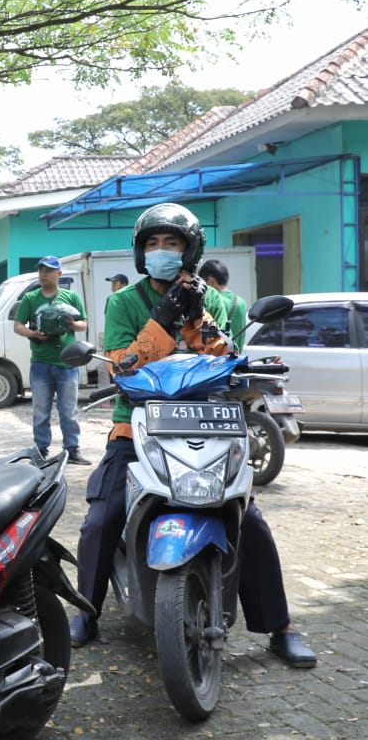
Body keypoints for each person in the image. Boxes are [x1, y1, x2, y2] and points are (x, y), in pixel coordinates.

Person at [69, 202, 317, 670]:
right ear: (142, 253)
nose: (162, 251)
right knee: (102, 518)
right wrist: (162, 318)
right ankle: (87, 609)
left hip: (208, 424)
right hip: (137, 424)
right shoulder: (124, 302)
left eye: (173, 243)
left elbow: (229, 359)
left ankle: (280, 626)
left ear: (191, 250)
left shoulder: (217, 300)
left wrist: (198, 317)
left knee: (250, 521)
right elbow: (124, 365)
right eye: (153, 244)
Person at [12, 255, 90, 465]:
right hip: (41, 363)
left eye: (48, 270)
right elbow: (17, 325)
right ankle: (40, 451)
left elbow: (84, 323)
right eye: (41, 270)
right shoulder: (30, 299)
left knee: (69, 411)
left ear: (59, 274)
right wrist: (33, 334)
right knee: (40, 411)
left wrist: (74, 326)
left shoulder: (70, 297)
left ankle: (72, 450)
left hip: (67, 363)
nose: (43, 274)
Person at [199, 258, 248, 351]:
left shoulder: (212, 302)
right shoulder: (242, 303)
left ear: (210, 281)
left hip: (219, 359)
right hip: (236, 359)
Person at [97, 275, 130, 389]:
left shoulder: (130, 298)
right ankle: (104, 400)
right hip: (112, 341)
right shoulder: (110, 298)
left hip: (125, 342)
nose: (112, 285)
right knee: (103, 368)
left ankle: (124, 394)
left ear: (124, 284)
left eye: (115, 283)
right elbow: (109, 320)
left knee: (120, 370)